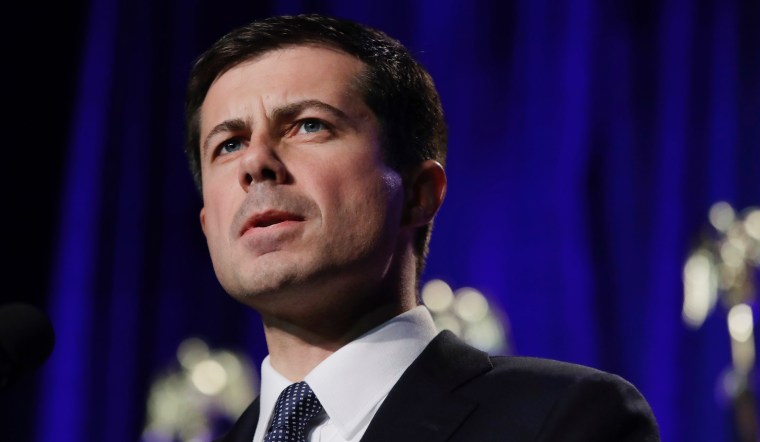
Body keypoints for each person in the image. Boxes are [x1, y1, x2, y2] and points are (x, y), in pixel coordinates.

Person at [183, 13, 661, 442]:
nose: (256, 163)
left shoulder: (565, 421)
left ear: (419, 193)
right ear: (208, 224)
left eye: (308, 125)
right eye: (228, 144)